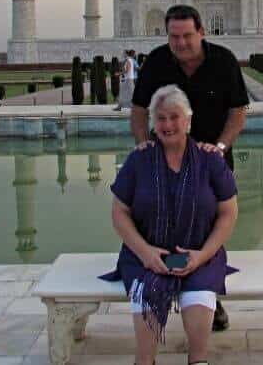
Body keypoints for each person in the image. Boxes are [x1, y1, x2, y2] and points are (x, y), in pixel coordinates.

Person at [130, 4, 249, 332]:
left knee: (208, 229)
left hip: (211, 161)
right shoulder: (157, 61)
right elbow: (139, 109)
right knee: (160, 224)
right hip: (164, 159)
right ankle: (163, 289)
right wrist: (141, 144)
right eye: (174, 37)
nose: (180, 43)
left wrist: (221, 147)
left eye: (186, 36)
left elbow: (238, 112)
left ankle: (207, 296)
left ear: (201, 32)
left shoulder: (222, 61)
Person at [102, 84, 238, 365]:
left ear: (188, 121)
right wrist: (145, 253)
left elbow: (228, 213)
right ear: (153, 123)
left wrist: (203, 255)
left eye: (174, 117)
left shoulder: (210, 159)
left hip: (201, 254)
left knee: (198, 302)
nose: (168, 124)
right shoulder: (140, 159)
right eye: (161, 118)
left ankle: (197, 361)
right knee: (147, 312)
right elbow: (119, 212)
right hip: (145, 256)